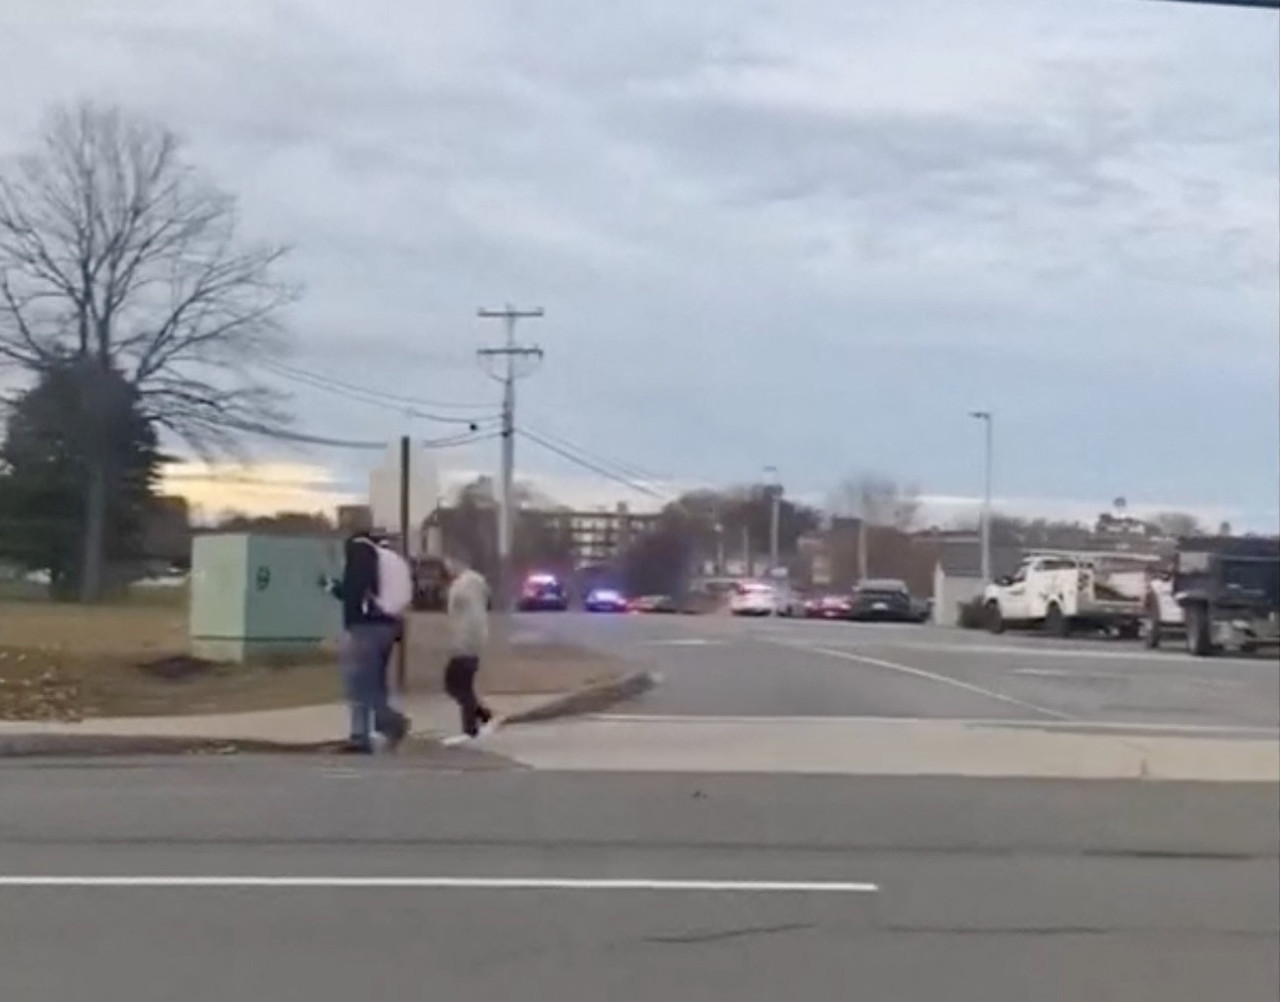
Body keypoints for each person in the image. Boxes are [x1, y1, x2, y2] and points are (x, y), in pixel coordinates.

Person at [326, 530, 411, 753]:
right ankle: (375, 729)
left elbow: (357, 590)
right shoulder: (387, 558)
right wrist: (333, 588)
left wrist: (352, 619)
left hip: (366, 627)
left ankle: (379, 728)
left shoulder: (360, 550)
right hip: (388, 627)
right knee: (375, 683)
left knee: (358, 683)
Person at [442, 555, 494, 739]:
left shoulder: (462, 585)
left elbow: (460, 611)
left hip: (465, 639)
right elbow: (487, 603)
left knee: (457, 684)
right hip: (475, 637)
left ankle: (471, 725)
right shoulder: (478, 582)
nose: (447, 569)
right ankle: (480, 715)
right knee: (461, 684)